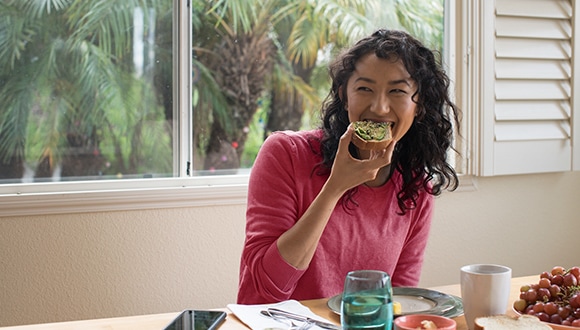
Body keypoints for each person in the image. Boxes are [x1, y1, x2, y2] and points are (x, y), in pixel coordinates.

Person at [236, 29, 461, 304]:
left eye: (397, 91)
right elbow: (266, 288)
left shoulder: (415, 187)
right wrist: (335, 187)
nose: (379, 108)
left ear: (420, 104)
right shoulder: (285, 153)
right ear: (344, 95)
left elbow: (398, 301)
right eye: (365, 88)